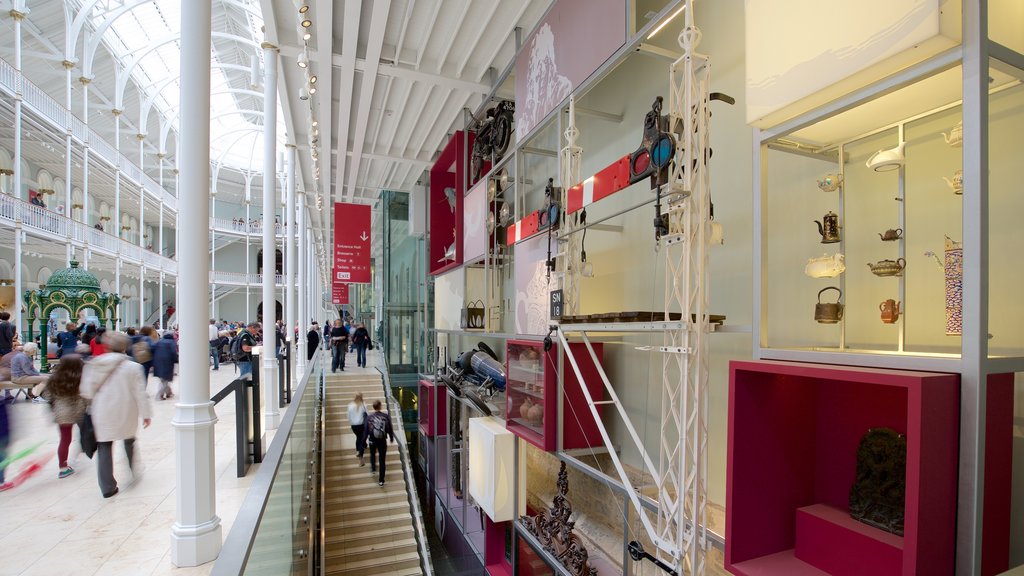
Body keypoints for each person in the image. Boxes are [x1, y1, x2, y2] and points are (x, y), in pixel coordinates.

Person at [79, 331, 152, 498]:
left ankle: (107, 487)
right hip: (126, 409)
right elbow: (140, 393)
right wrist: (146, 414)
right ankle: (134, 471)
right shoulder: (133, 367)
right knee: (129, 440)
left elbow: (86, 391)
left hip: (102, 410)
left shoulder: (94, 364)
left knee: (104, 446)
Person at [42, 354, 87, 479]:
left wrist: (53, 407)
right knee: (86, 431)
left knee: (65, 439)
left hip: (62, 412)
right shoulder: (81, 378)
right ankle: (86, 448)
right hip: (79, 411)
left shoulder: (54, 379)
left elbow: (48, 396)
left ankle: (63, 467)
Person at [365, 400, 396, 487]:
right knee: (382, 460)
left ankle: (373, 469)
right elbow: (390, 428)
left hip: (372, 440)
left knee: (372, 454)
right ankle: (381, 481)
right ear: (380, 406)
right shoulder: (385, 416)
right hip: (382, 441)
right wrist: (391, 438)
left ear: (373, 407)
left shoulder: (369, 417)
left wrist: (363, 441)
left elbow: (366, 431)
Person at [152, 331, 178, 400]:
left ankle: (169, 392)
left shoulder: (159, 341)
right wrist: (176, 360)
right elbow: (173, 352)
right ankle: (159, 395)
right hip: (168, 362)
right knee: (165, 379)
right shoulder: (172, 342)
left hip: (157, 361)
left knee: (163, 379)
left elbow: (152, 349)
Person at [347, 393, 368, 466]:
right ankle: (360, 458)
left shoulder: (350, 405)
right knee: (361, 439)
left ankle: (357, 450)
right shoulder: (364, 404)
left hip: (354, 426)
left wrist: (351, 423)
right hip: (361, 425)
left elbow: (348, 416)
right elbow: (367, 414)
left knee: (358, 437)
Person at [0, 312, 17, 403]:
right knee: (8, 367)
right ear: (9, 317)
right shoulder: (7, 325)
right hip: (6, 347)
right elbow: (9, 335)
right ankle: (7, 393)